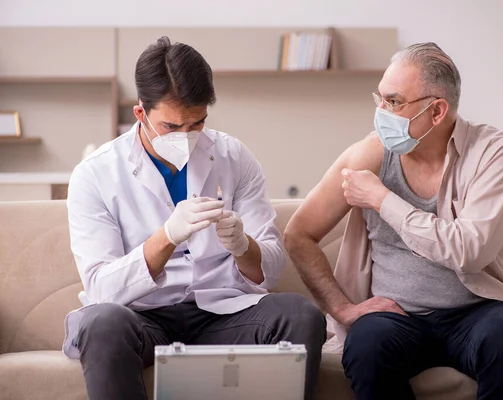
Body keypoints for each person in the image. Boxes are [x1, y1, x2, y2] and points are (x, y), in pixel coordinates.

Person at [284, 42, 503, 400]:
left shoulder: (495, 155)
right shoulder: (370, 154)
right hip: (396, 317)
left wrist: (382, 200)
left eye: (394, 102)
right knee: (366, 348)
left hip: (477, 311)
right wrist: (341, 307)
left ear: (437, 110)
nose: (382, 112)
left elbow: (469, 252)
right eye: (379, 99)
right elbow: (298, 234)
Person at [63, 36, 326, 400]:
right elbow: (101, 289)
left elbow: (270, 270)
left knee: (299, 315)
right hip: (144, 318)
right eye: (171, 127)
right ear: (141, 113)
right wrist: (166, 237)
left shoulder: (235, 157)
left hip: (222, 314)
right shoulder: (95, 174)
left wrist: (241, 245)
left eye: (197, 123)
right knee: (101, 323)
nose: (186, 137)